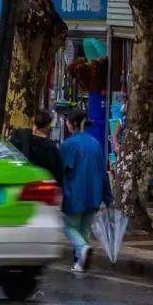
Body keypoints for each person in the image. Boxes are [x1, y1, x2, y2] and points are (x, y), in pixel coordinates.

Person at [59, 109, 112, 273]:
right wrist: (108, 197)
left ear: (72, 124)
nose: (66, 124)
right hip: (94, 195)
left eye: (67, 121)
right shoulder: (95, 144)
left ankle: (82, 249)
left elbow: (61, 170)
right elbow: (103, 172)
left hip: (75, 194)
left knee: (67, 225)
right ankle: (79, 263)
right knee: (84, 229)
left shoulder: (68, 144)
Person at [8, 110, 63, 187]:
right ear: (47, 126)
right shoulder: (49, 147)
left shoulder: (19, 137)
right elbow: (56, 173)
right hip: (40, 186)